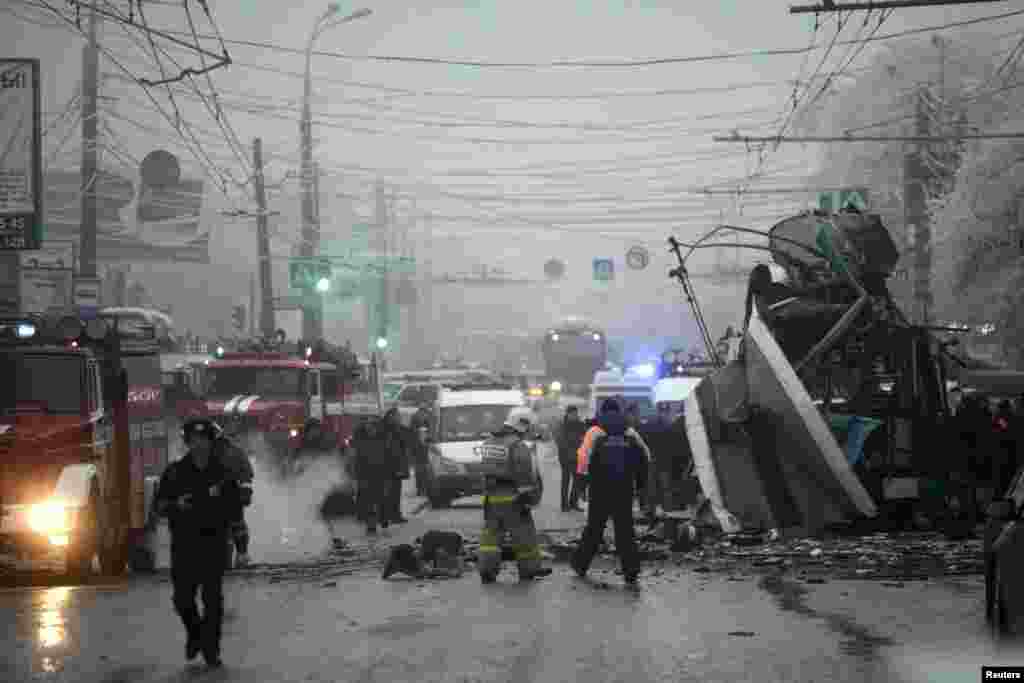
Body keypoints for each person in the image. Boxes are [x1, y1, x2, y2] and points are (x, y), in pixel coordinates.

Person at [153, 418, 242, 668]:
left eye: (204, 440)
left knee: (213, 600)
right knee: (182, 599)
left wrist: (241, 547)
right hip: (184, 547)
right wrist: (175, 505)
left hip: (214, 545)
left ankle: (211, 650)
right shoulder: (174, 473)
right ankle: (195, 634)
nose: (199, 445)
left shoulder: (223, 475)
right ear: (188, 443)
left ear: (211, 442)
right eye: (194, 440)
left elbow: (235, 511)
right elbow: (159, 507)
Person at [572, 399, 649, 587]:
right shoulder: (629, 431)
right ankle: (631, 571)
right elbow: (646, 456)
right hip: (624, 488)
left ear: (602, 411)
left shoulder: (595, 431)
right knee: (625, 530)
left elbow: (583, 457)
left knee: (594, 528)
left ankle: (580, 565)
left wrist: (582, 483)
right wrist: (640, 484)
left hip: (600, 488)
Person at [477, 407, 552, 583]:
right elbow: (524, 476)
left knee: (490, 537)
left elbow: (485, 471)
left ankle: (487, 570)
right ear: (523, 424)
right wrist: (527, 499)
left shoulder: (489, 442)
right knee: (524, 535)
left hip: (491, 499)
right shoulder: (517, 446)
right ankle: (529, 569)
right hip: (513, 499)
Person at [351, 416, 397, 534]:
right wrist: (357, 474)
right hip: (366, 475)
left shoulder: (383, 439)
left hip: (381, 475)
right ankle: (371, 525)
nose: (370, 428)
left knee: (383, 500)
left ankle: (384, 522)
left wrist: (390, 472)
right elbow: (357, 459)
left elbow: (389, 457)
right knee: (368, 501)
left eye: (372, 426)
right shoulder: (360, 440)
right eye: (368, 426)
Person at [215, 432, 254, 568]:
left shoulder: (233, 453)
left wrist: (245, 491)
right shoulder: (202, 452)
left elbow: (246, 473)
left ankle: (241, 555)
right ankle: (240, 555)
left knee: (236, 525)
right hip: (220, 496)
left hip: (231, 495)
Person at [380, 407, 411, 525]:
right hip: (386, 465)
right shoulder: (384, 429)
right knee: (387, 493)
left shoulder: (398, 428)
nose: (399, 418)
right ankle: (387, 515)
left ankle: (395, 515)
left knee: (395, 492)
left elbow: (406, 440)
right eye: (397, 416)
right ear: (390, 416)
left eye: (399, 416)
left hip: (397, 465)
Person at [557, 406, 588, 512]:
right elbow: (561, 441)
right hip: (565, 457)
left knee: (577, 480)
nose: (574, 416)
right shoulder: (562, 425)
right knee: (565, 481)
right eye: (572, 414)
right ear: (568, 414)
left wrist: (579, 441)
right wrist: (577, 440)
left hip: (577, 456)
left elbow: (585, 437)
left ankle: (573, 503)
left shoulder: (580, 424)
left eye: (575, 413)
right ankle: (564, 505)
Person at [410, 401, 436, 497]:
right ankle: (424, 488)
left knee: (420, 469)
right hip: (424, 448)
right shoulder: (428, 417)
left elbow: (411, 432)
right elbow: (432, 432)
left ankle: (420, 489)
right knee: (424, 468)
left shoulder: (415, 416)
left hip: (418, 448)